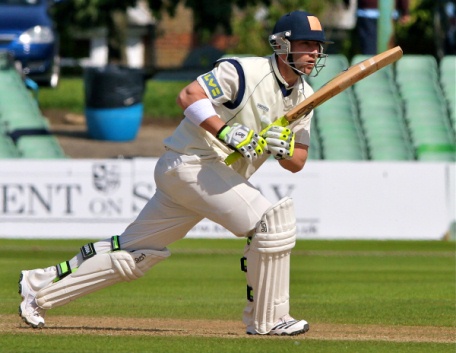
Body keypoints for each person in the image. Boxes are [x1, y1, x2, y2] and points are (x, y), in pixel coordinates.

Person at [18, 10, 331, 336]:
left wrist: (283, 148)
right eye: (306, 44)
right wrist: (226, 132)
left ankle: (38, 288)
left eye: (318, 46)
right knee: (270, 223)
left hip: (207, 177)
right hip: (191, 163)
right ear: (282, 45)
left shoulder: (304, 97)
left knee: (133, 255)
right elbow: (188, 96)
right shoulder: (242, 70)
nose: (314, 53)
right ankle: (268, 320)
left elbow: (297, 161)